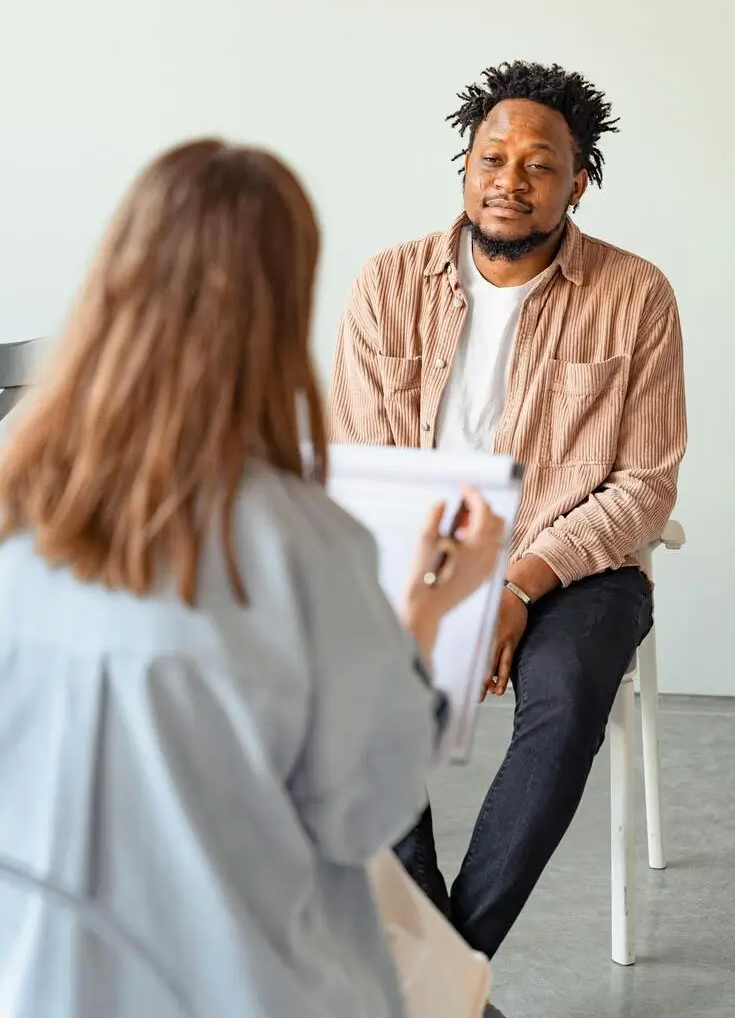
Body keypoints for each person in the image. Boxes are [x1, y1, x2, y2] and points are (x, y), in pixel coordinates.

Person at [0, 139, 506, 1018]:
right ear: (282, 307)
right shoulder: (301, 543)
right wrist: (425, 608)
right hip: (240, 984)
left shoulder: (18, 512)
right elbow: (363, 809)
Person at [328, 59, 688, 959]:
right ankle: (446, 983)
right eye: (493, 159)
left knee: (565, 702)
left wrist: (520, 584)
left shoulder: (635, 295)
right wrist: (453, 583)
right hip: (421, 555)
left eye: (539, 165)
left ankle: (441, 972)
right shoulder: (388, 284)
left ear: (580, 183)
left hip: (573, 567)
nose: (510, 182)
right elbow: (364, 463)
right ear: (465, 167)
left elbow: (644, 483)